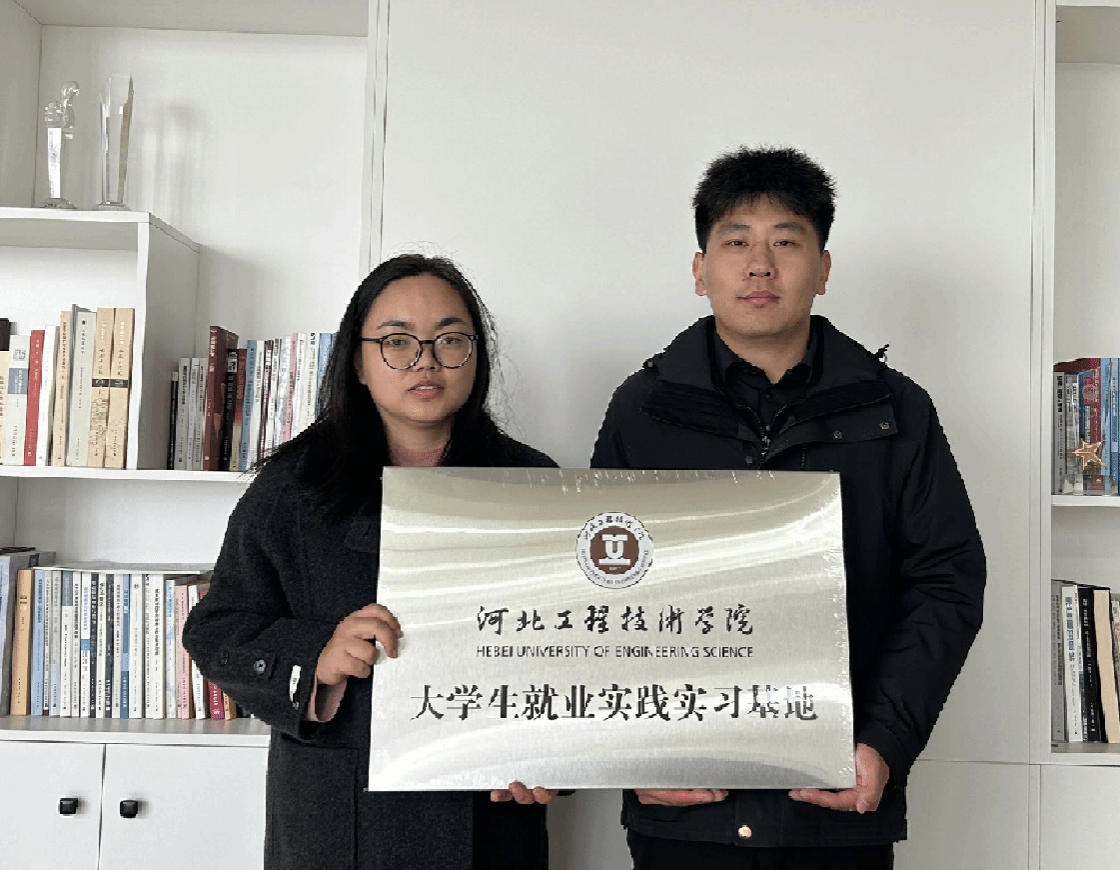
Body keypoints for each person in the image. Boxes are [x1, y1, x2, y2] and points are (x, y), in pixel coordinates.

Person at [590, 146, 986, 869]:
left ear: (823, 268)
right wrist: (632, 751)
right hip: (685, 813)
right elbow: (599, 591)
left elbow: (946, 581)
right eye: (736, 241)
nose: (760, 265)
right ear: (700, 270)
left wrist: (883, 741)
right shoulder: (642, 409)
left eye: (786, 242)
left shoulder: (896, 410)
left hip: (834, 806)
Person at [183, 254, 558, 870]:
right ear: (357, 362)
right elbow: (216, 630)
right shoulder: (295, 485)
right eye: (397, 341)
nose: (426, 361)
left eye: (450, 339)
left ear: (477, 356)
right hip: (342, 821)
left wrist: (555, 760)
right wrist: (318, 655)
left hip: (489, 816)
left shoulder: (535, 484)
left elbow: (577, 649)